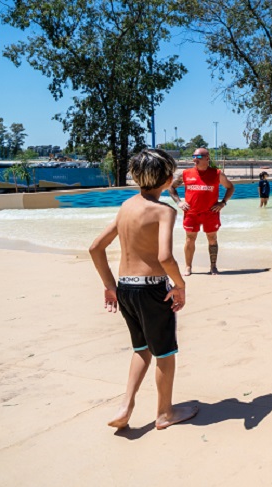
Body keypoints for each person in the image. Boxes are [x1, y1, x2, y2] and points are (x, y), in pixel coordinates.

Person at [89, 149, 198, 430]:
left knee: (141, 348)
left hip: (125, 288)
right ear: (168, 179)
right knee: (164, 352)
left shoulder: (126, 206)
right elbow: (164, 257)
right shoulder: (164, 211)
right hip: (151, 290)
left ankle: (126, 406)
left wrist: (110, 286)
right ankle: (164, 413)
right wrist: (180, 285)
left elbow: (95, 247)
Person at [168, 147, 235, 276]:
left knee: (212, 238)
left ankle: (213, 266)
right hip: (191, 213)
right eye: (193, 156)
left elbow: (230, 187)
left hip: (211, 213)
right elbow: (171, 187)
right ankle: (188, 267)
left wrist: (223, 202)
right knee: (190, 239)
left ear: (207, 158)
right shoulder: (186, 173)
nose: (195, 159)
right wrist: (179, 202)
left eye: (198, 157)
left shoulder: (217, 174)